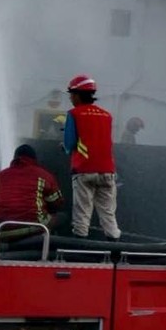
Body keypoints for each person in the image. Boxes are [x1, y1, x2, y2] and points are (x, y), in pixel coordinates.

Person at [63, 74, 121, 239]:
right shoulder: (107, 115)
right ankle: (115, 252)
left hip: (84, 171)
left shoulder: (74, 114)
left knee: (82, 216)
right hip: (107, 171)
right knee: (108, 215)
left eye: (71, 94)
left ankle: (80, 255)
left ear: (77, 94)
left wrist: (65, 148)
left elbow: (69, 144)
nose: (70, 98)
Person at [0, 144, 67, 247]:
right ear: (34, 159)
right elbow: (57, 203)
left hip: (1, 230)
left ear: (14, 158)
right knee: (62, 217)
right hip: (34, 227)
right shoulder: (43, 175)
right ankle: (51, 250)